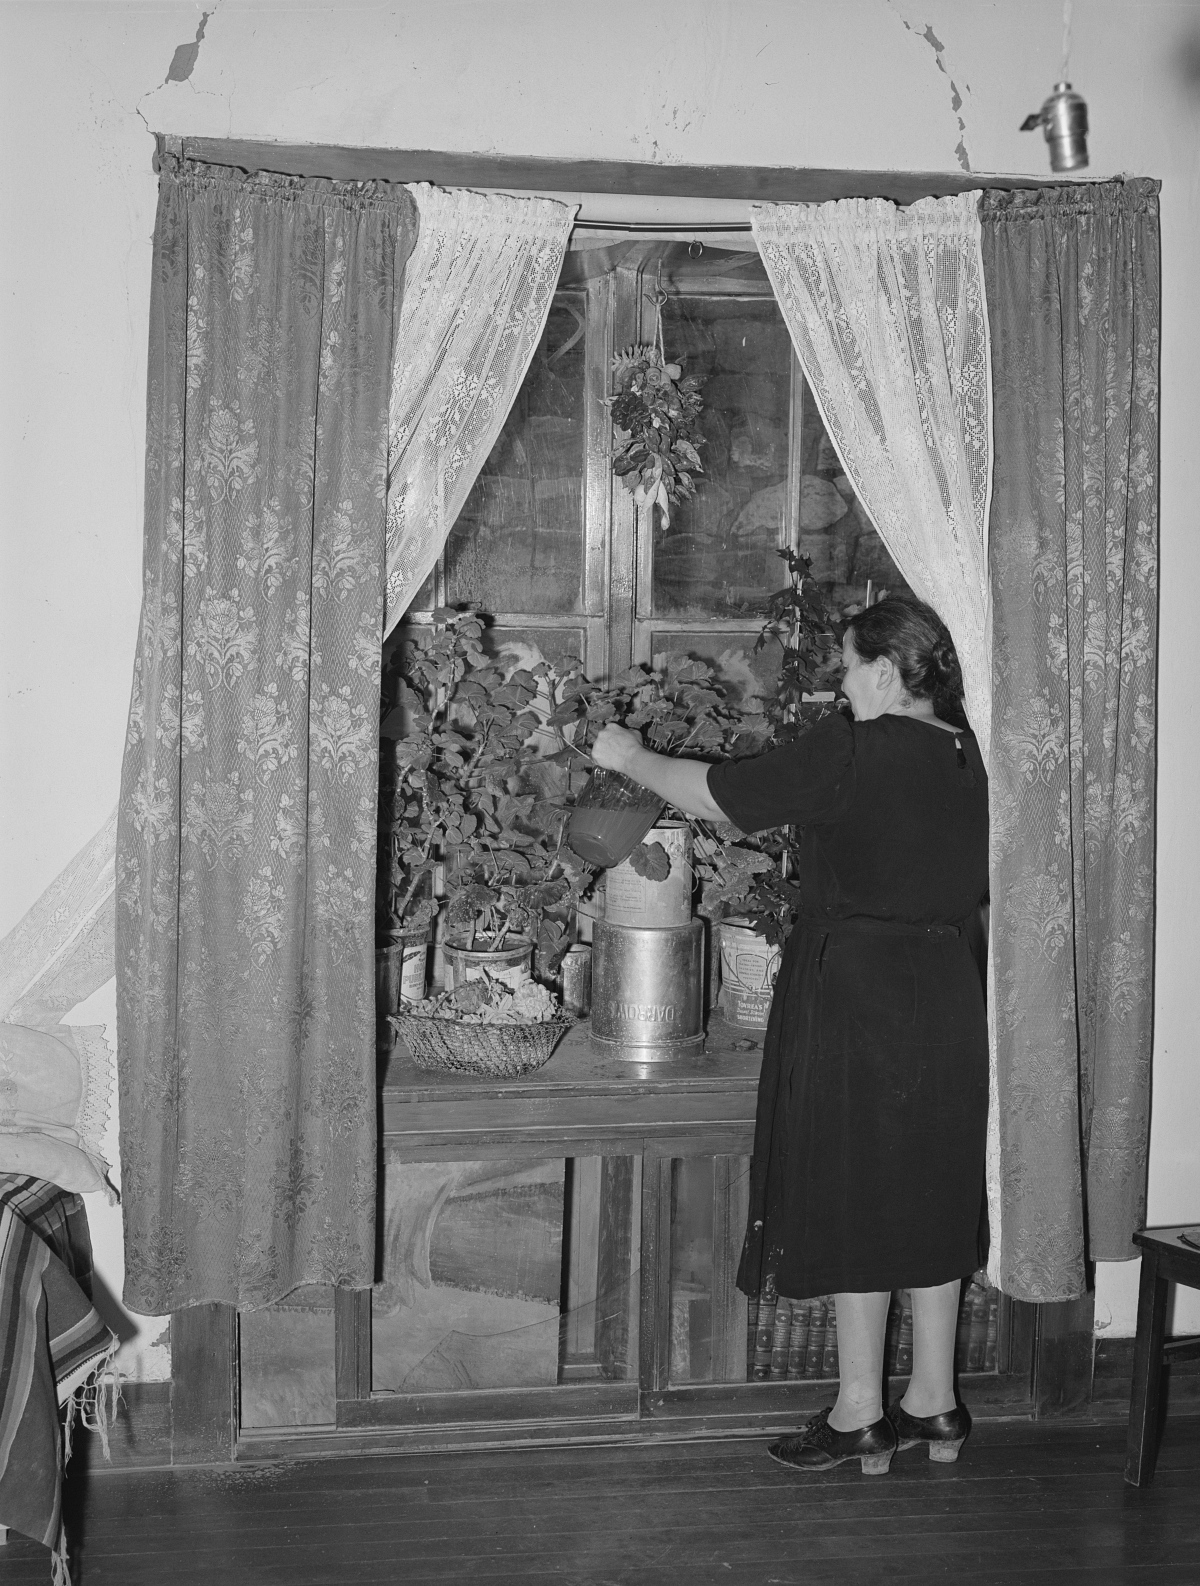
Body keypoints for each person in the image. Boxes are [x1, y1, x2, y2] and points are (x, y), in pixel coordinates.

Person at [591, 592, 988, 1476]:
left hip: (860, 995)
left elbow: (724, 798)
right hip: (952, 991)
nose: (842, 687)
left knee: (854, 1190)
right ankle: (935, 1401)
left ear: (886, 671)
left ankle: (859, 1414)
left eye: (848, 667)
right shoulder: (971, 751)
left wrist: (629, 753)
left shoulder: (855, 746)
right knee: (930, 1187)